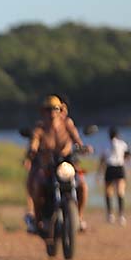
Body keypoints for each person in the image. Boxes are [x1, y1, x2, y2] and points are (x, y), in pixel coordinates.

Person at [24, 95, 92, 233]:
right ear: (43, 111)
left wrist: (83, 147)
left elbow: (76, 139)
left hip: (66, 163)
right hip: (48, 165)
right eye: (48, 110)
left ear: (60, 110)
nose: (52, 113)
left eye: (55, 109)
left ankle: (78, 217)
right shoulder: (40, 127)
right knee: (37, 186)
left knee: (83, 186)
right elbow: (35, 141)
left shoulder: (67, 123)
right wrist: (32, 149)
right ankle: (38, 221)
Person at [98, 127, 130, 226]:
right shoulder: (122, 143)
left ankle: (110, 214)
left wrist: (99, 172)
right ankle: (121, 215)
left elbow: (102, 159)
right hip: (119, 168)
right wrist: (122, 160)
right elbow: (128, 155)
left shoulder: (105, 144)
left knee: (109, 192)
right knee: (120, 192)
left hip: (110, 168)